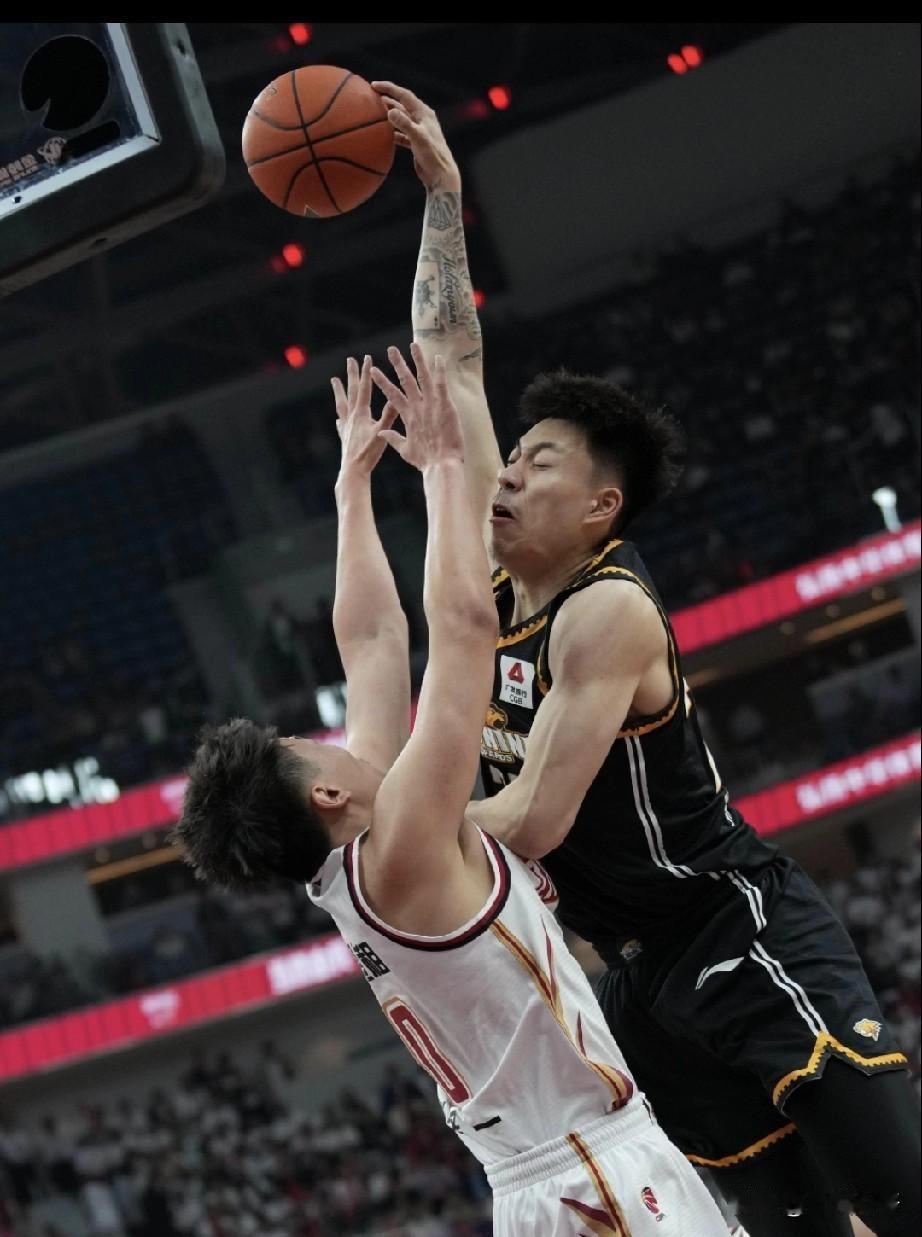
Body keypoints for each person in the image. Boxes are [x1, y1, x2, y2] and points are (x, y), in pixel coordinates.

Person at [371, 79, 922, 1235]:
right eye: (513, 455)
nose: (509, 471)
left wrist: (409, 822)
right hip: (637, 975)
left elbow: (531, 821)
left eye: (540, 463)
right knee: (784, 1225)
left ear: (600, 509)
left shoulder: (604, 611)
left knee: (892, 1190)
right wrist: (441, 195)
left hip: (732, 923)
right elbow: (451, 362)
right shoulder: (491, 587)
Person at [173, 349, 726, 1233]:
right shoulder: (402, 845)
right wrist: (440, 473)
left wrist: (352, 486)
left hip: (555, 1172)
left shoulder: (365, 856)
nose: (336, 739)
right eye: (310, 746)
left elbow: (373, 642)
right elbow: (466, 628)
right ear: (324, 795)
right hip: (590, 1169)